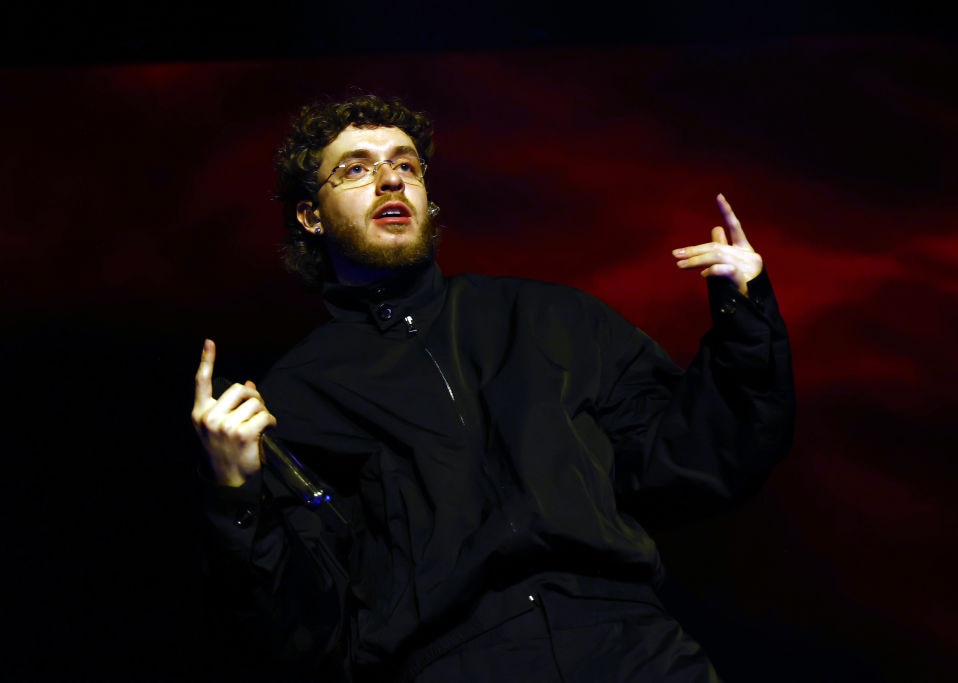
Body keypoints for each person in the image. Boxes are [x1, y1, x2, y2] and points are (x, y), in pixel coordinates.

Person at [192, 93, 795, 683]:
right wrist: (236, 491)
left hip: (629, 646)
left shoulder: (552, 318)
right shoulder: (296, 398)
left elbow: (695, 460)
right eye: (356, 169)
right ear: (310, 216)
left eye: (405, 165)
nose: (391, 181)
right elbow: (301, 629)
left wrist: (746, 318)